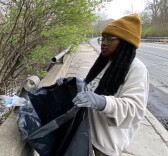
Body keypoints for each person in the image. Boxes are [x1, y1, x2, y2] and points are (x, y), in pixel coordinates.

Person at [58, 13, 149, 156]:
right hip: (86, 134)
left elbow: (135, 109)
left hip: (105, 145)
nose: (103, 42)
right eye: (103, 38)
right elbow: (91, 86)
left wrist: (102, 102)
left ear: (125, 42)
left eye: (109, 39)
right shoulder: (105, 62)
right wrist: (72, 84)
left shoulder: (136, 69)